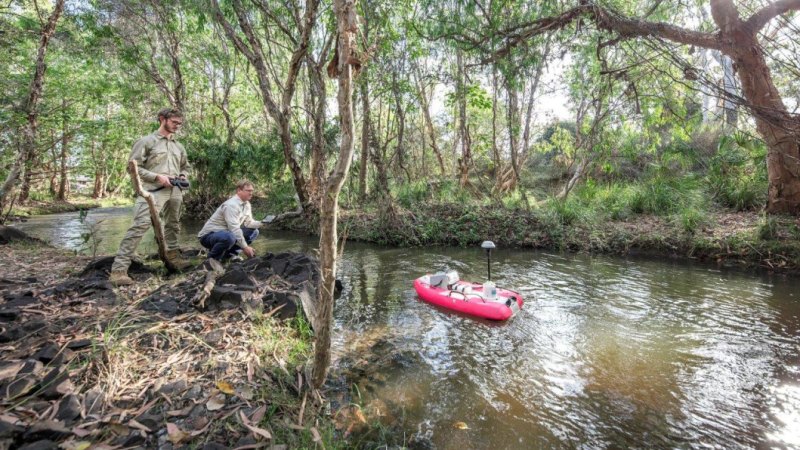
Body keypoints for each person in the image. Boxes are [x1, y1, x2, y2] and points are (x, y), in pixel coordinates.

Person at [109, 108, 192, 287]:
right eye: (174, 122)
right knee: (139, 226)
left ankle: (173, 258)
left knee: (173, 224)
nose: (177, 126)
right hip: (152, 192)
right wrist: (157, 177)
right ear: (162, 119)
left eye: (179, 123)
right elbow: (133, 168)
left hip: (176, 191)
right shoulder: (147, 141)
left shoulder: (179, 145)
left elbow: (185, 167)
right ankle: (119, 270)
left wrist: (183, 176)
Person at [197, 180, 264, 262]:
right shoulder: (231, 205)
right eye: (248, 191)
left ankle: (229, 255)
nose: (251, 193)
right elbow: (234, 229)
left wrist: (263, 223)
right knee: (230, 237)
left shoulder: (247, 204)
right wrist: (245, 248)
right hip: (207, 236)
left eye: (252, 191)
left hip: (226, 234)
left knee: (254, 232)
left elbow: (249, 223)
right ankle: (211, 260)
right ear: (239, 190)